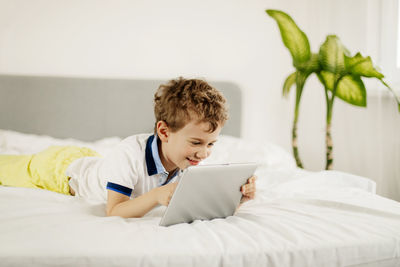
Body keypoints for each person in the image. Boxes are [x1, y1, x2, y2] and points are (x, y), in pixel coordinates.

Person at [0, 77, 256, 218]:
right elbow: (114, 210)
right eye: (196, 143)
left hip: (93, 161)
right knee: (7, 168)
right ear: (164, 131)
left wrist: (237, 199)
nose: (204, 153)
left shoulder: (189, 159)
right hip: (59, 170)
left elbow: (200, 206)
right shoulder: (130, 154)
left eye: (212, 144)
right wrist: (157, 195)